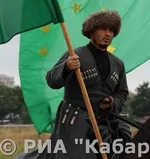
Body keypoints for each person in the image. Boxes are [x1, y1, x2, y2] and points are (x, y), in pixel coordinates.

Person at [16, 10, 131, 159]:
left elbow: (122, 93)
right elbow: (52, 80)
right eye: (103, 29)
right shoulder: (74, 55)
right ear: (91, 32)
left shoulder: (118, 64)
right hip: (75, 121)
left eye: (111, 30)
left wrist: (112, 103)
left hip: (106, 122)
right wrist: (66, 67)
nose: (107, 34)